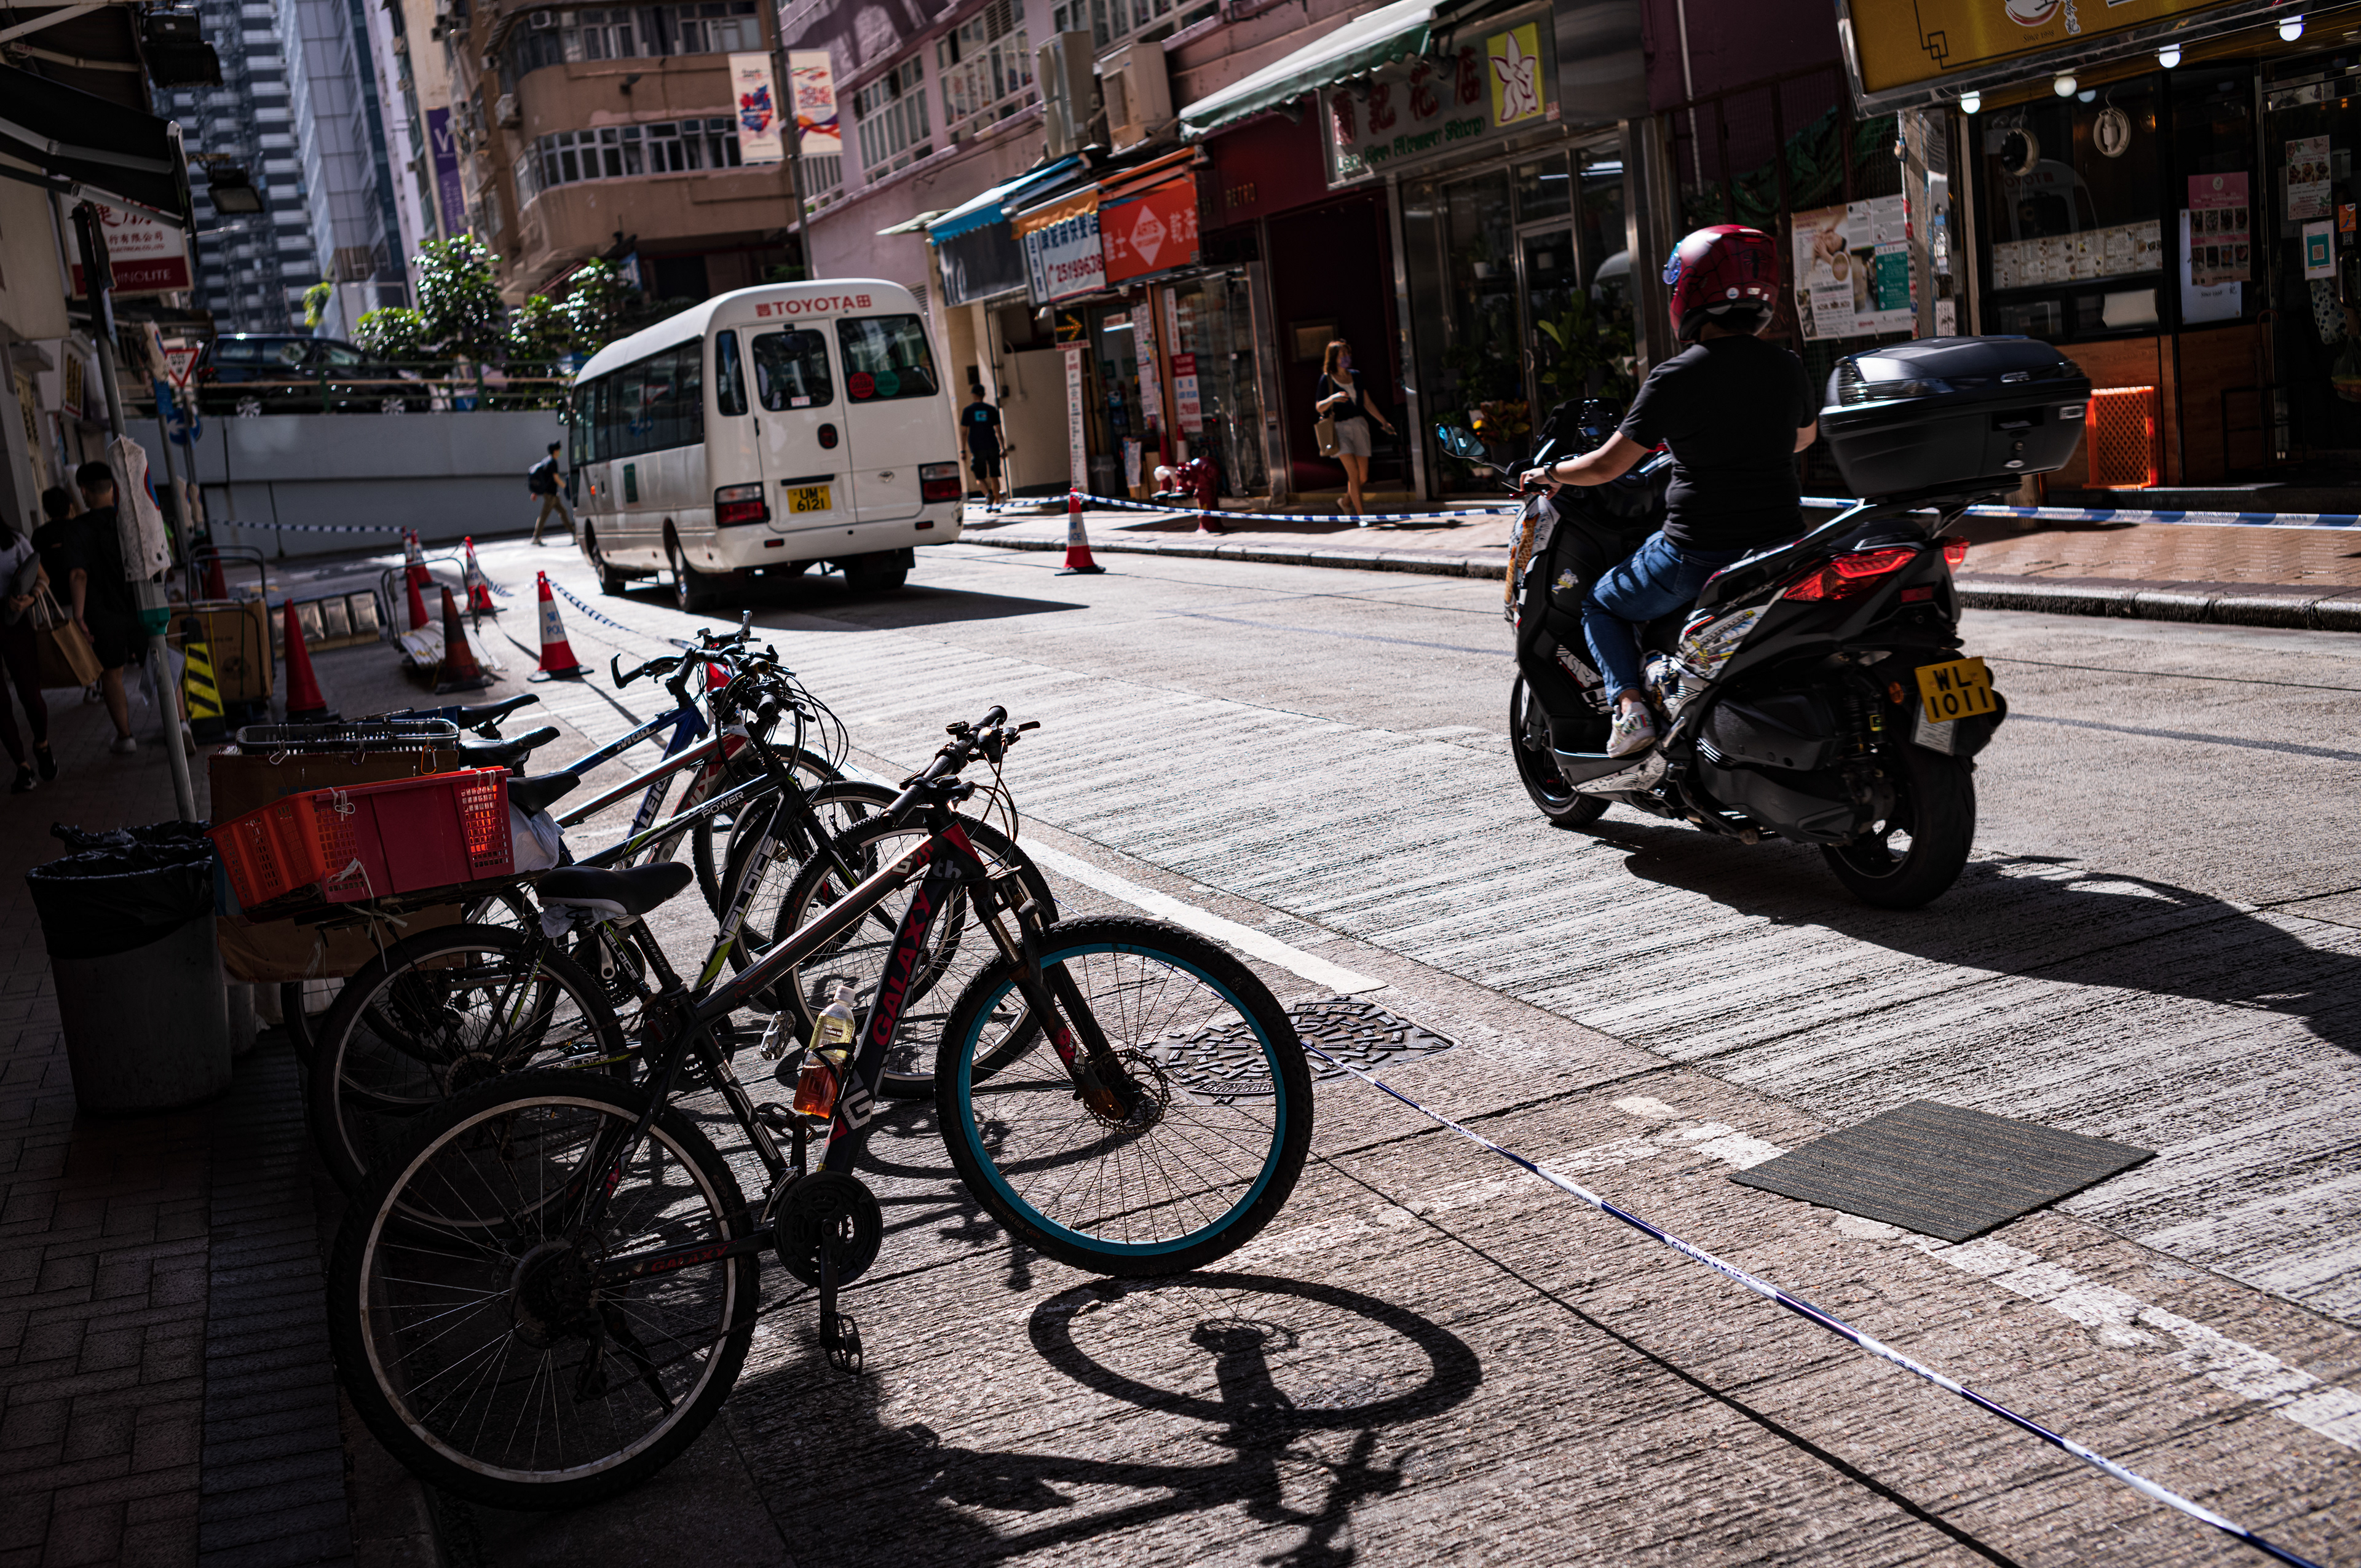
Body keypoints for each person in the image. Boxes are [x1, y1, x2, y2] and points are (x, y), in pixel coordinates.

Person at [1521, 224, 1817, 759]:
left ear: (1689, 292)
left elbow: (1608, 465)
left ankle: (1630, 709)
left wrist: (1552, 473)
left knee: (1601, 605)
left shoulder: (1676, 376)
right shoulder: (1787, 366)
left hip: (1699, 551)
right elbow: (1804, 438)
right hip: (1781, 548)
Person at [34, 462, 142, 754]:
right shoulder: (130, 519)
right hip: (141, 605)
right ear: (113, 487)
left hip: (103, 613)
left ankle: (126, 738)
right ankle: (181, 723)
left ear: (82, 491)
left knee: (112, 674)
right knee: (160, 664)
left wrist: (79, 617)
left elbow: (78, 575)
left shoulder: (78, 528)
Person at [0, 505, 55, 792]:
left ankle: (42, 745)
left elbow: (42, 577)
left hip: (15, 621)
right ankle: (22, 766)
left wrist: (31, 598)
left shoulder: (14, 541)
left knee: (30, 694)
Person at [1315, 339, 1397, 522]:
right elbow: (1319, 407)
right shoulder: (1327, 379)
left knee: (1363, 477)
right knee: (1353, 474)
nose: (1346, 357)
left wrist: (1384, 422)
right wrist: (1333, 398)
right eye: (1342, 354)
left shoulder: (1356, 376)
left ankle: (1345, 502)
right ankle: (1362, 516)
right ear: (1334, 358)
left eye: (1348, 353)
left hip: (1359, 426)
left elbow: (1367, 402)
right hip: (1339, 429)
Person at [960, 381, 1005, 505]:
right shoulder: (991, 409)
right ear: (984, 395)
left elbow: (964, 432)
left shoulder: (968, 411)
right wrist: (1003, 447)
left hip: (977, 447)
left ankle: (988, 495)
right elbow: (999, 430)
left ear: (973, 395)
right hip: (993, 445)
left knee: (979, 477)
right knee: (994, 476)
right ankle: (997, 504)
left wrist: (963, 450)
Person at [528, 441, 573, 544]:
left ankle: (574, 533)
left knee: (563, 513)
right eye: (559, 450)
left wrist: (535, 492)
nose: (560, 452)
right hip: (550, 495)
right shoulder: (553, 462)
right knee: (545, 516)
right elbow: (556, 478)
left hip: (552, 495)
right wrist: (566, 487)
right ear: (555, 451)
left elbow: (541, 478)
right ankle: (536, 538)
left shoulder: (545, 461)